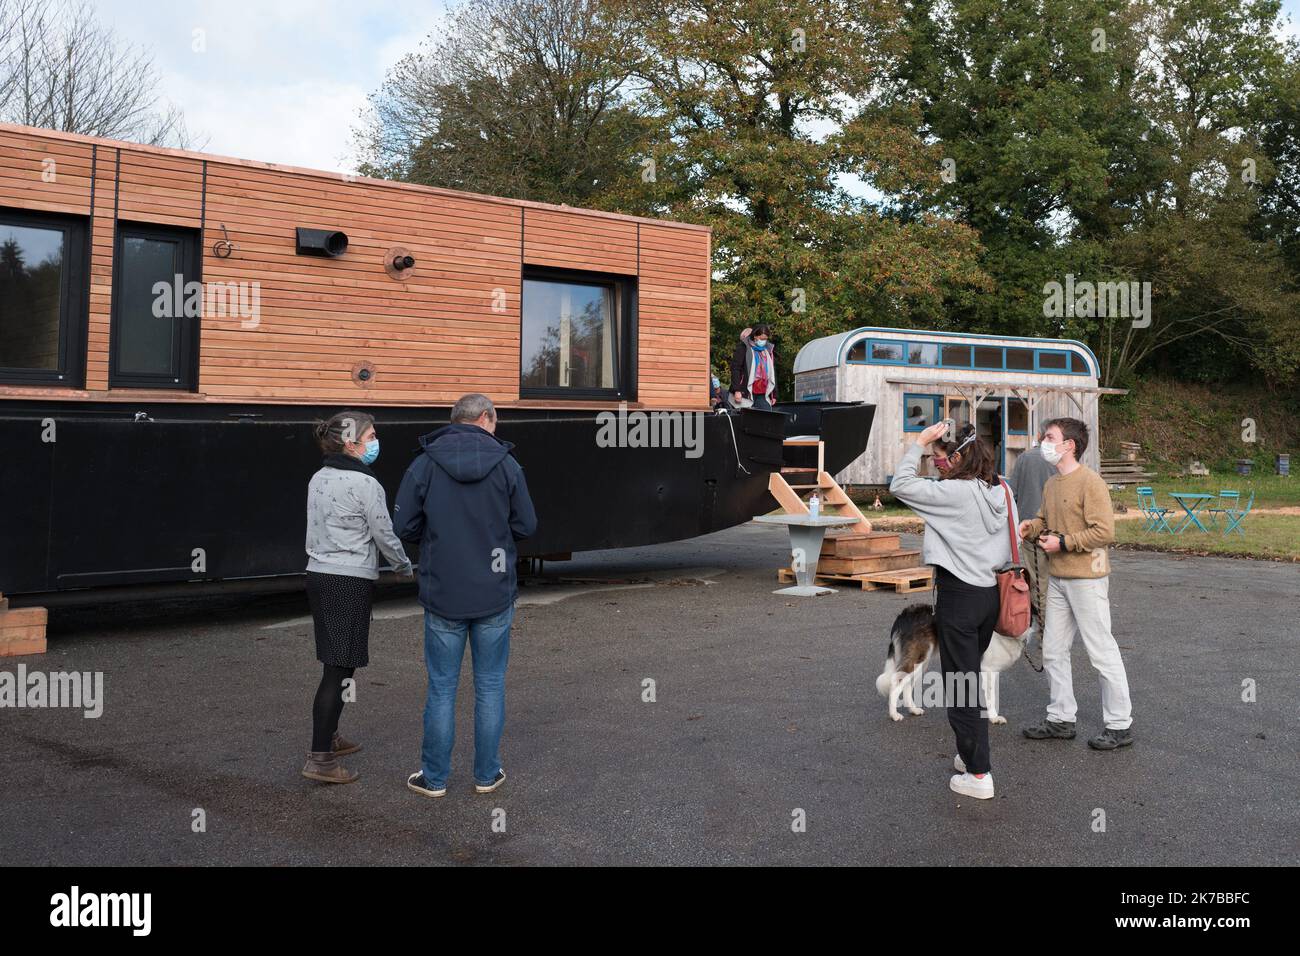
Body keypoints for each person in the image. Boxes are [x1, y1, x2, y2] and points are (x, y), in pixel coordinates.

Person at [393, 394, 537, 798]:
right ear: (487, 418)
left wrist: (440, 541)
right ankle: (486, 775)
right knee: (490, 685)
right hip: (494, 591)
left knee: (441, 686)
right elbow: (526, 524)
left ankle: (434, 779)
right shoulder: (507, 464)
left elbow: (403, 524)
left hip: (443, 591)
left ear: (455, 420)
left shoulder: (424, 463)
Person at [889, 421, 1019, 800]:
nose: (939, 463)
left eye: (943, 457)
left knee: (961, 685)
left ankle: (979, 775)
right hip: (989, 594)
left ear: (959, 457)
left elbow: (900, 485)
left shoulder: (955, 492)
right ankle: (969, 756)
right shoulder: (1003, 492)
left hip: (959, 595)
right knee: (971, 675)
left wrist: (918, 444)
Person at [302, 410, 413, 785]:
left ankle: (330, 736)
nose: (375, 443)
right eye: (371, 437)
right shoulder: (366, 485)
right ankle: (320, 759)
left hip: (318, 574)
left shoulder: (319, 477)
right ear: (351, 443)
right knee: (337, 669)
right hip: (348, 580)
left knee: (338, 664)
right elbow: (383, 533)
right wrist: (403, 566)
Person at [1018, 418, 1133, 750]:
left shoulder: (1091, 482)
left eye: (1050, 437)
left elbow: (1104, 532)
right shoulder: (1053, 483)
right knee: (1052, 650)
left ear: (1069, 445)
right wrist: (1031, 525)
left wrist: (1064, 543)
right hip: (1058, 579)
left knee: (1101, 651)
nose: (1043, 442)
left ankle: (1119, 724)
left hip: (1087, 579)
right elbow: (1045, 519)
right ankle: (1061, 718)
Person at [1008, 431, 1056, 619]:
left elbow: (1012, 494)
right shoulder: (1061, 461)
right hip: (1058, 530)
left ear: (1039, 436)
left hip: (1030, 528)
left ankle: (1044, 631)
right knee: (1057, 582)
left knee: (1038, 583)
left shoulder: (1024, 458)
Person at [729, 325, 776, 410]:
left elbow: (772, 372)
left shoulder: (768, 350)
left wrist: (774, 394)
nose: (763, 341)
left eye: (765, 338)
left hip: (762, 392)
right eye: (761, 338)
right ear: (755, 336)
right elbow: (735, 369)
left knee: (767, 416)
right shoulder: (743, 348)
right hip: (745, 392)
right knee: (747, 420)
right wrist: (737, 390)